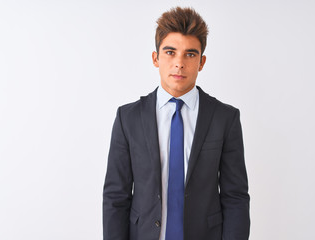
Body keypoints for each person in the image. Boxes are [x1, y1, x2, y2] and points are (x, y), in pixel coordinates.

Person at [103, 6, 250, 240]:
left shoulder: (225, 118)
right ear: (156, 58)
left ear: (201, 62)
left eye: (190, 54)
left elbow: (235, 197)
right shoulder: (128, 118)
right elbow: (115, 197)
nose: (179, 63)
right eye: (170, 52)